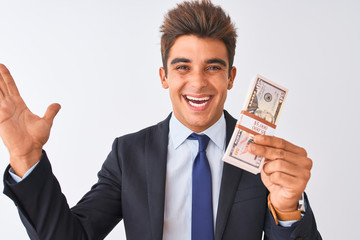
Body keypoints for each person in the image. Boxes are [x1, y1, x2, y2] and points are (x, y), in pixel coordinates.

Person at [0, 0, 322, 239]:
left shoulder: (264, 158)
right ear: (164, 76)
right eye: (183, 67)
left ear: (231, 77)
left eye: (213, 67)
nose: (198, 83)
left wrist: (288, 209)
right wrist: (26, 159)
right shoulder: (128, 156)